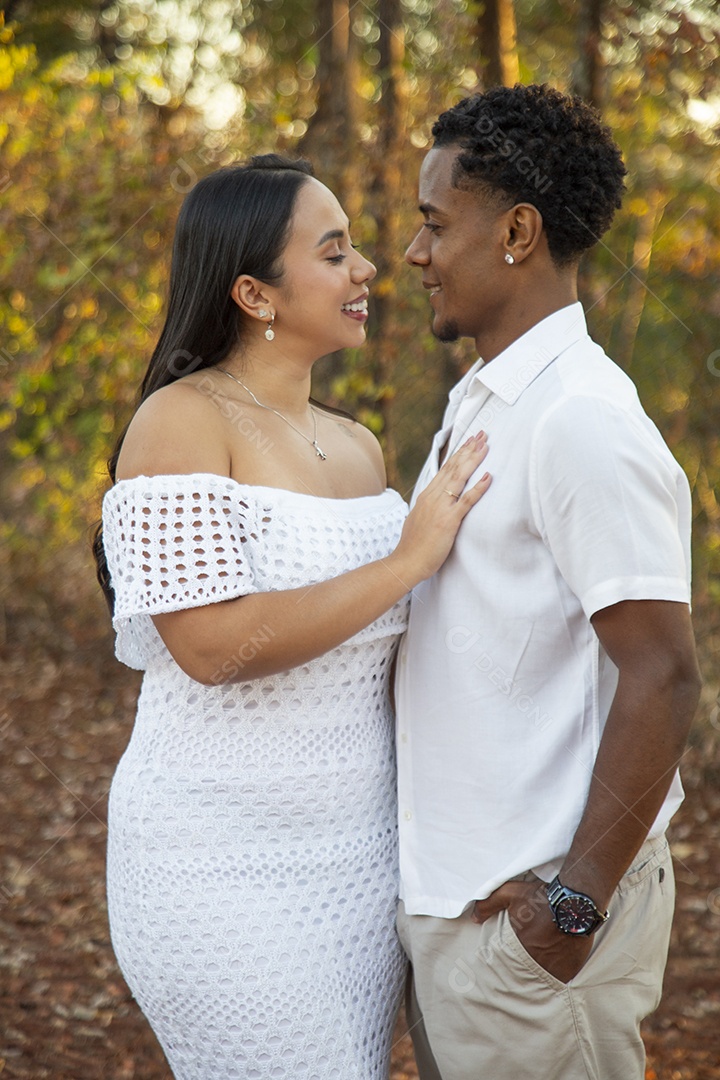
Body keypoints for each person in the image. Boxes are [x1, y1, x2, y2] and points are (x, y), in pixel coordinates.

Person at [92, 154, 490, 1080]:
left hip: (357, 861)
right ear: (253, 293)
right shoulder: (181, 421)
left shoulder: (359, 447)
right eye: (334, 251)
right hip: (216, 861)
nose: (369, 272)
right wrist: (407, 562)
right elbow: (215, 647)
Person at [395, 83, 702, 1080]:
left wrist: (571, 912)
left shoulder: (581, 421)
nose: (415, 254)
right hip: (466, 914)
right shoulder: (487, 401)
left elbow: (663, 673)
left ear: (517, 233)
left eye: (435, 224)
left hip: (536, 938)